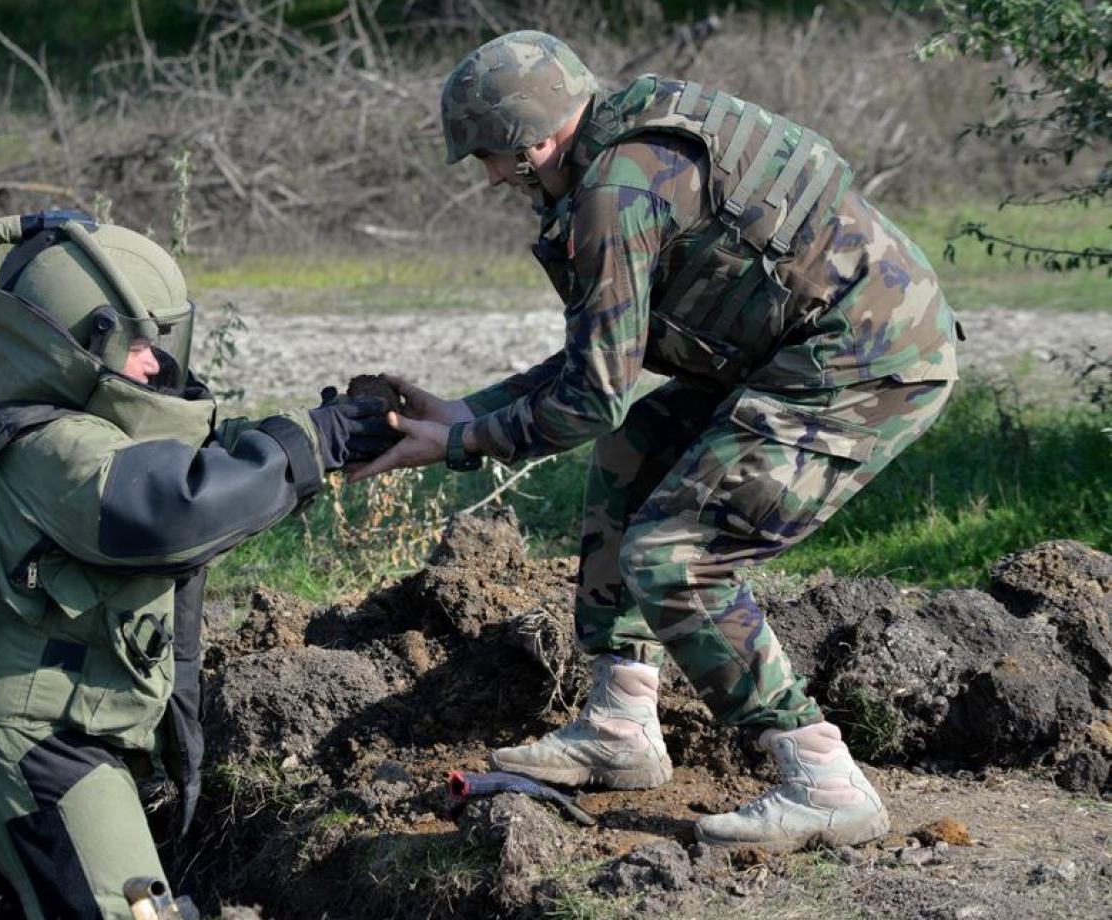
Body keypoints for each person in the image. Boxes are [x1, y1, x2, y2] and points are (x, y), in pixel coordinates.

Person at [351, 31, 961, 852]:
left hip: (866, 360)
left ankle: (822, 779)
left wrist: (457, 445)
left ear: (538, 143)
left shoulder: (618, 193)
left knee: (675, 556)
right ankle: (621, 725)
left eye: (495, 159)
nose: (494, 179)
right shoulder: (624, 144)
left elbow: (586, 402)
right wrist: (463, 410)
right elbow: (607, 358)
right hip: (800, 345)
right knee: (637, 451)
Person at [0, 210, 393, 918]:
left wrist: (315, 439)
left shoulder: (54, 425)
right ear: (74, 342)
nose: (158, 364)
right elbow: (175, 509)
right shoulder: (49, 448)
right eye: (140, 343)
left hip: (65, 731)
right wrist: (308, 445)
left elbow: (194, 469)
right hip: (28, 743)